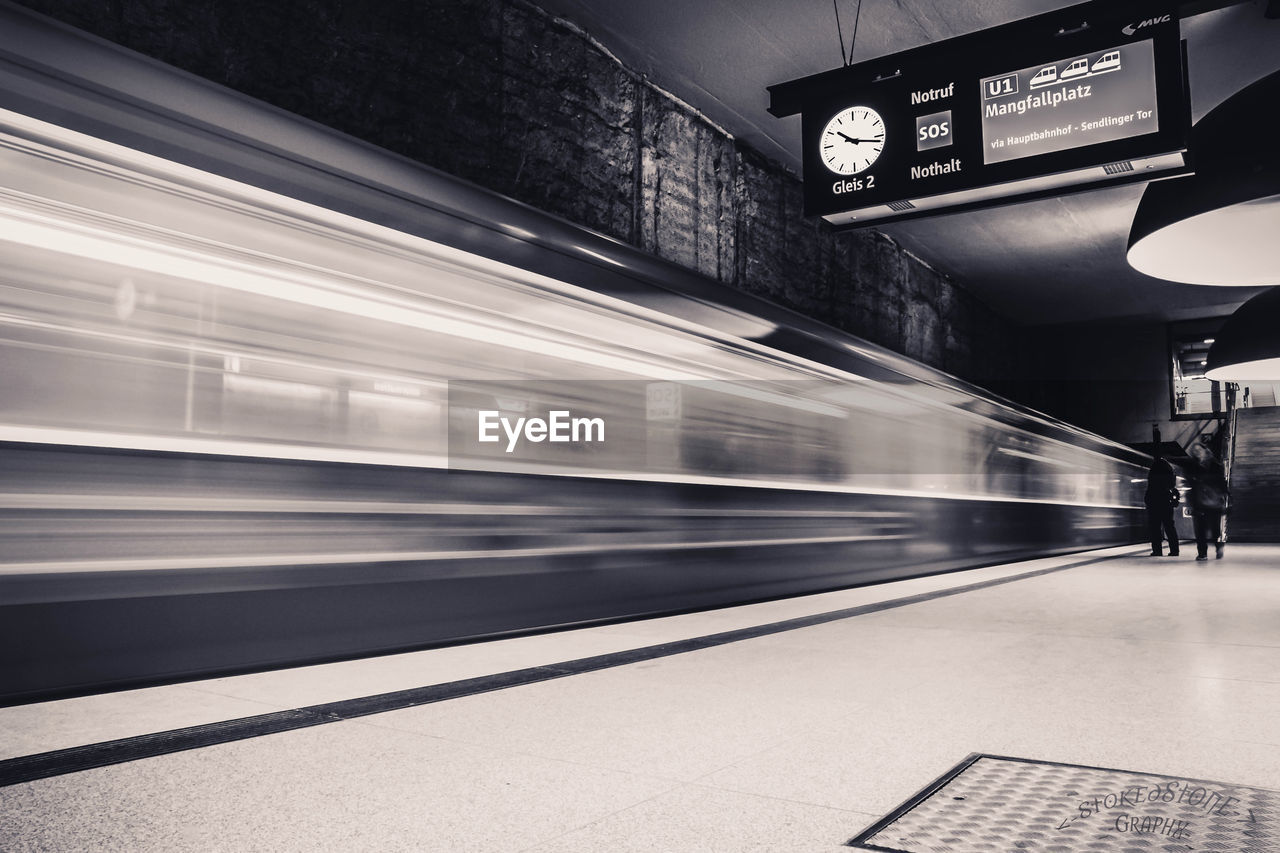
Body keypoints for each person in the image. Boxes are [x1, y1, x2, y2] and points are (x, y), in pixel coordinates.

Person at [1187, 441, 1230, 561]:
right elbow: (1190, 485)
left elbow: (1222, 482)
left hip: (1214, 502)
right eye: (1195, 451)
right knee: (1200, 530)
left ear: (1205, 450)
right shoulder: (1192, 466)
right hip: (1199, 502)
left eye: (1199, 450)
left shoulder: (1216, 465)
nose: (1197, 452)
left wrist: (1226, 495)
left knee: (1215, 529)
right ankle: (1202, 553)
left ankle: (1219, 547)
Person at [1143, 457, 1179, 556]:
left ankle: (1157, 551)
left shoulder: (1153, 472)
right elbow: (1174, 489)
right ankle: (1175, 550)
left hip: (1154, 504)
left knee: (1155, 528)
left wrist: (1147, 501)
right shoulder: (1170, 473)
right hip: (1167, 504)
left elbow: (1149, 490)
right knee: (1170, 527)